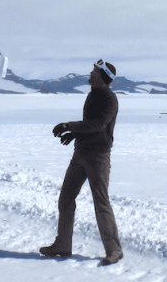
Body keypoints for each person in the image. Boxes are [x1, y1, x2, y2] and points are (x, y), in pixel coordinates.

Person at [39, 59, 123, 266]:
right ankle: (63, 245)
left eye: (94, 71)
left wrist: (70, 125)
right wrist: (74, 134)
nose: (90, 73)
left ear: (102, 76)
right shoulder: (92, 95)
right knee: (66, 199)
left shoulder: (109, 99)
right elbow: (90, 125)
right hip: (81, 154)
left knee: (101, 203)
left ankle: (114, 250)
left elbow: (99, 124)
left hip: (98, 157)